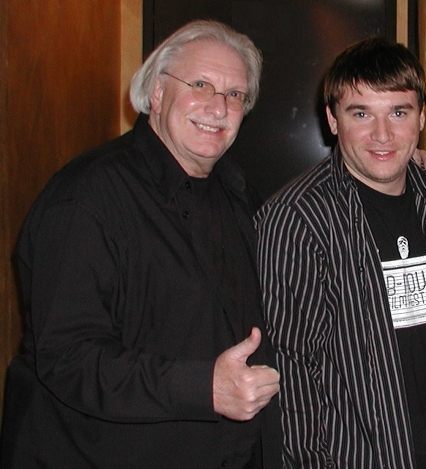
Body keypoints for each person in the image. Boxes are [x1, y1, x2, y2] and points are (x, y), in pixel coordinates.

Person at [0, 20, 281, 469]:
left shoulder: (239, 196)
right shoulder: (86, 197)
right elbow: (67, 357)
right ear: (155, 94)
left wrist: (396, 175)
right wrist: (203, 387)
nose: (218, 106)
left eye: (235, 95)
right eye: (201, 84)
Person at [256, 37, 426, 469]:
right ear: (333, 120)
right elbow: (293, 367)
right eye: (361, 114)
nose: (383, 134)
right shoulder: (297, 217)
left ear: (422, 117)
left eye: (398, 112)